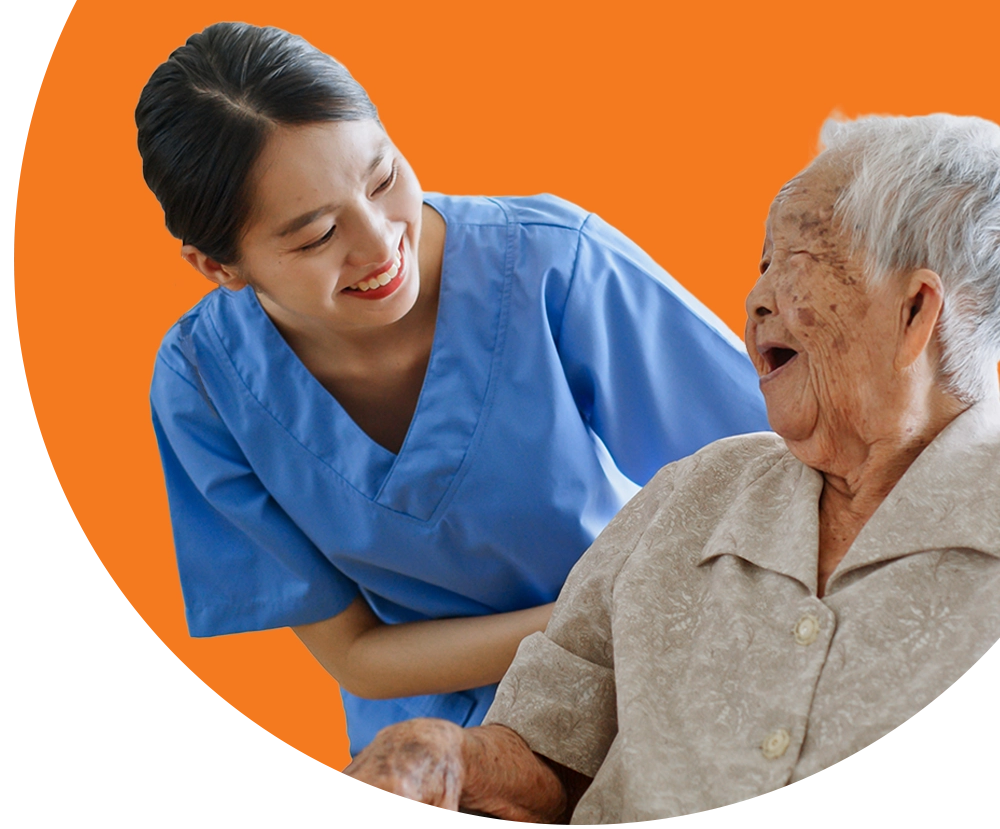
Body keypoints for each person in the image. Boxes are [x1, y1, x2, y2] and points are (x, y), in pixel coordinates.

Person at [343, 112, 1000, 822]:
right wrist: (448, 755)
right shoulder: (695, 494)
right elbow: (547, 756)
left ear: (915, 311)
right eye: (761, 265)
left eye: (798, 262)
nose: (755, 301)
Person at [136, 22, 769, 755]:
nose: (380, 245)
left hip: (655, 670)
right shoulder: (204, 387)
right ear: (218, 267)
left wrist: (646, 617)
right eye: (315, 237)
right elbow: (358, 659)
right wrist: (602, 614)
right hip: (435, 743)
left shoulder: (551, 262)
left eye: (382, 178)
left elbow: (779, 462)